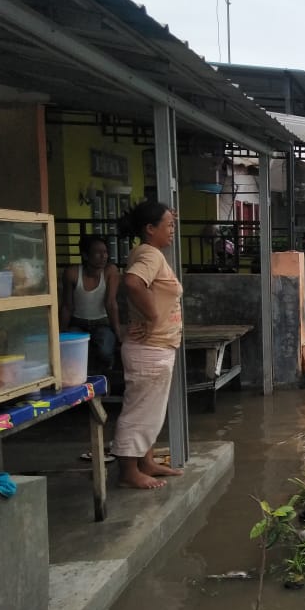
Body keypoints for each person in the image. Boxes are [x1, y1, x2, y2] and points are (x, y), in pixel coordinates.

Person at [113, 201, 184, 489]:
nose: (172, 230)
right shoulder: (150, 255)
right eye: (167, 225)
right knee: (140, 410)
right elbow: (132, 283)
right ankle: (129, 470)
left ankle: (146, 461)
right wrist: (152, 314)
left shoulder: (148, 253)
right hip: (149, 349)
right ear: (149, 229)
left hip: (156, 347)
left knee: (151, 410)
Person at [59, 234, 121, 374]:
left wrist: (118, 332)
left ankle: (106, 373)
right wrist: (61, 331)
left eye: (105, 252)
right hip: (78, 323)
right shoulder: (72, 273)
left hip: (102, 323)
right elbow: (67, 306)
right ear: (86, 256)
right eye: (98, 253)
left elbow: (111, 302)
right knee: (71, 353)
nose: (103, 256)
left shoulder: (110, 271)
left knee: (105, 350)